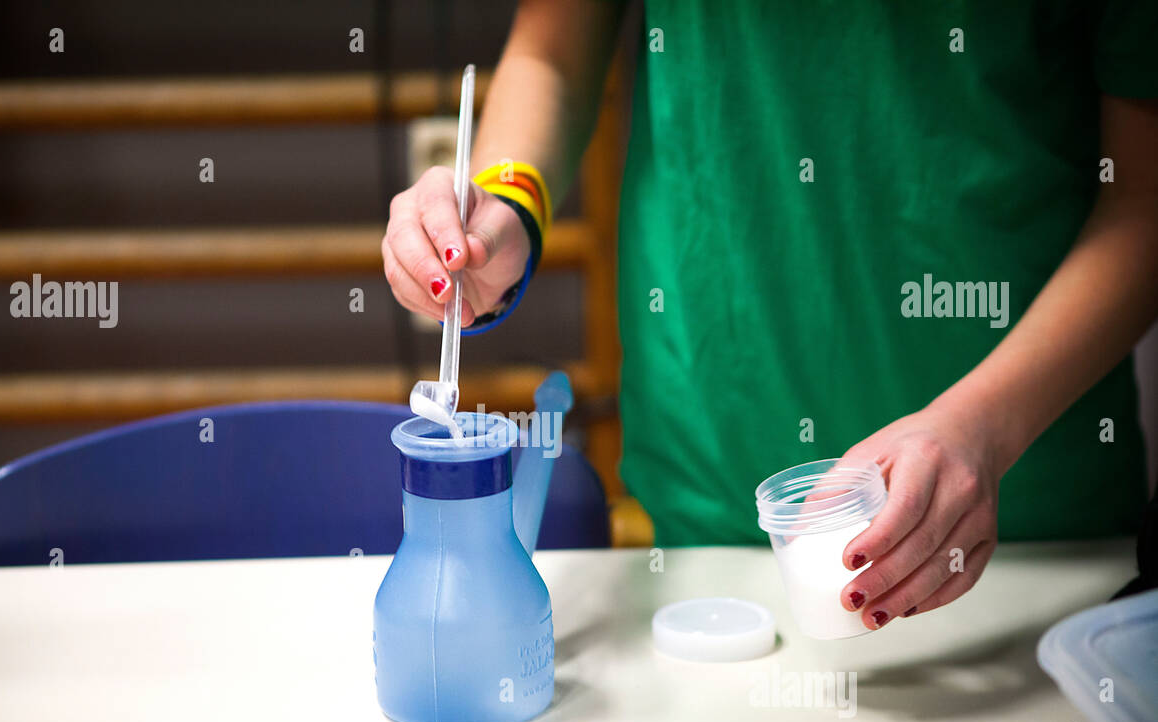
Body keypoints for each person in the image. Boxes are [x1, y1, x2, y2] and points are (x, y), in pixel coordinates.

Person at [382, 0, 1158, 629]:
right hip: (715, 488)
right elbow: (553, 44)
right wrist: (508, 205)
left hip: (1030, 522)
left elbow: (1146, 201)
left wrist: (984, 429)